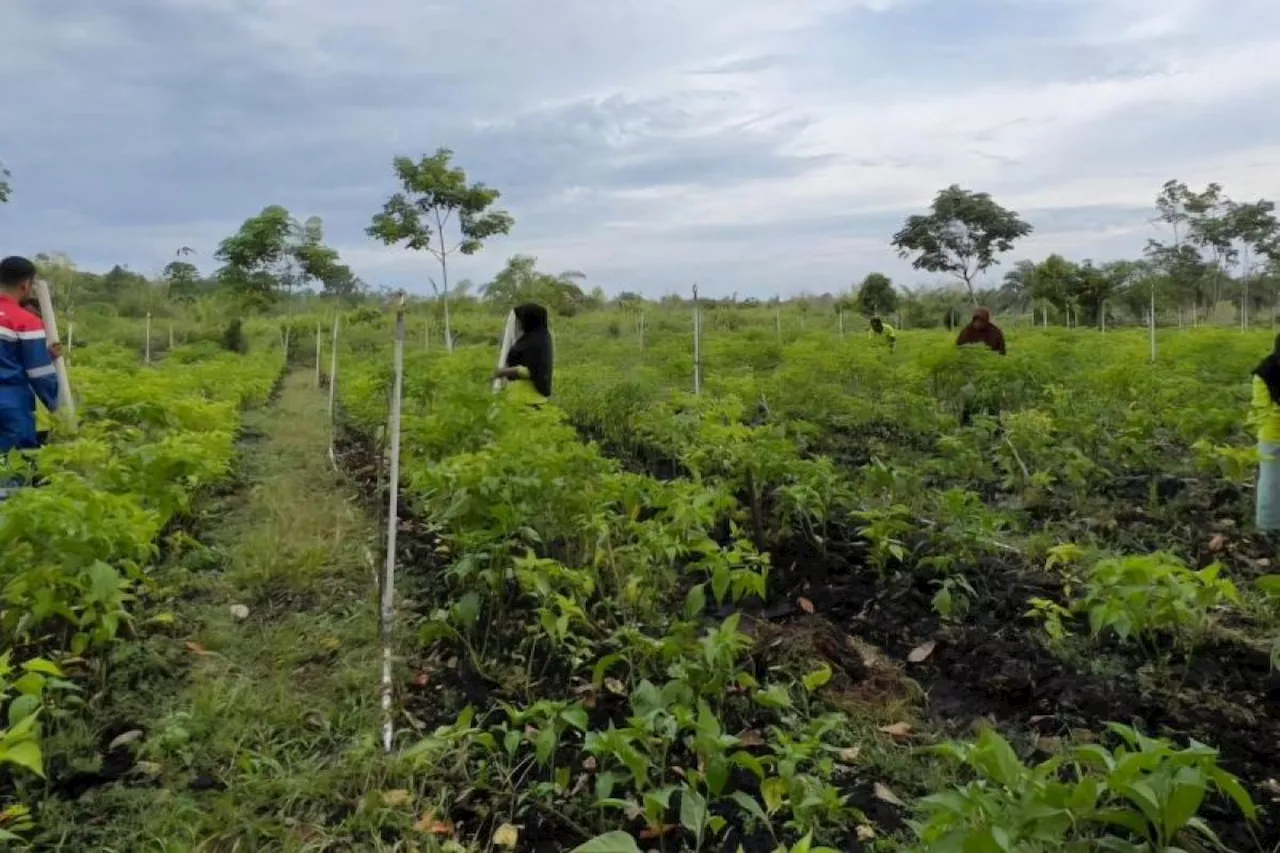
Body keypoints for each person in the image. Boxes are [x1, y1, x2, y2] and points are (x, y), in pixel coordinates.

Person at [0, 256, 61, 453]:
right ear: (25, 285)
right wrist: (56, 407)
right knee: (11, 469)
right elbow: (40, 373)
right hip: (9, 406)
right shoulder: (25, 321)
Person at [491, 303, 553, 406]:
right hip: (518, 398)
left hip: (529, 401)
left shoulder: (536, 342)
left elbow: (533, 370)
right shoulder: (533, 338)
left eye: (521, 320)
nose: (519, 323)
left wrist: (504, 372)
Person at [1251, 334, 1280, 531]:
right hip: (1273, 434)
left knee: (1271, 481)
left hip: (1269, 432)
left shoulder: (1264, 370)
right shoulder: (1266, 373)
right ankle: (1268, 527)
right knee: (1270, 482)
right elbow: (1264, 408)